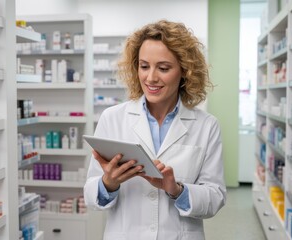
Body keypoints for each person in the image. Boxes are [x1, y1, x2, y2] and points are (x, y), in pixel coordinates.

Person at [83, 20, 226, 240]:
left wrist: (177, 190)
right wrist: (108, 184)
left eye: (163, 68)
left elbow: (215, 197)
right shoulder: (112, 118)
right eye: (144, 66)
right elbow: (91, 196)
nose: (151, 78)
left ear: (185, 71)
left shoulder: (206, 125)